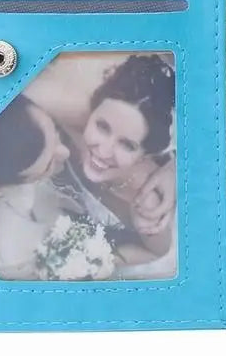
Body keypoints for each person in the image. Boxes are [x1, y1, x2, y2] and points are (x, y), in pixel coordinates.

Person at [56, 54, 178, 278]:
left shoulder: (147, 198)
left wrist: (79, 260)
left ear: (144, 155)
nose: (103, 151)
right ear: (91, 112)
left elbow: (157, 251)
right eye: (102, 126)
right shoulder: (68, 128)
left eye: (127, 145)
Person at [0, 94, 71, 279]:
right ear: (2, 190)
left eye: (56, 129)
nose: (66, 152)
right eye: (49, 164)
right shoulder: (11, 257)